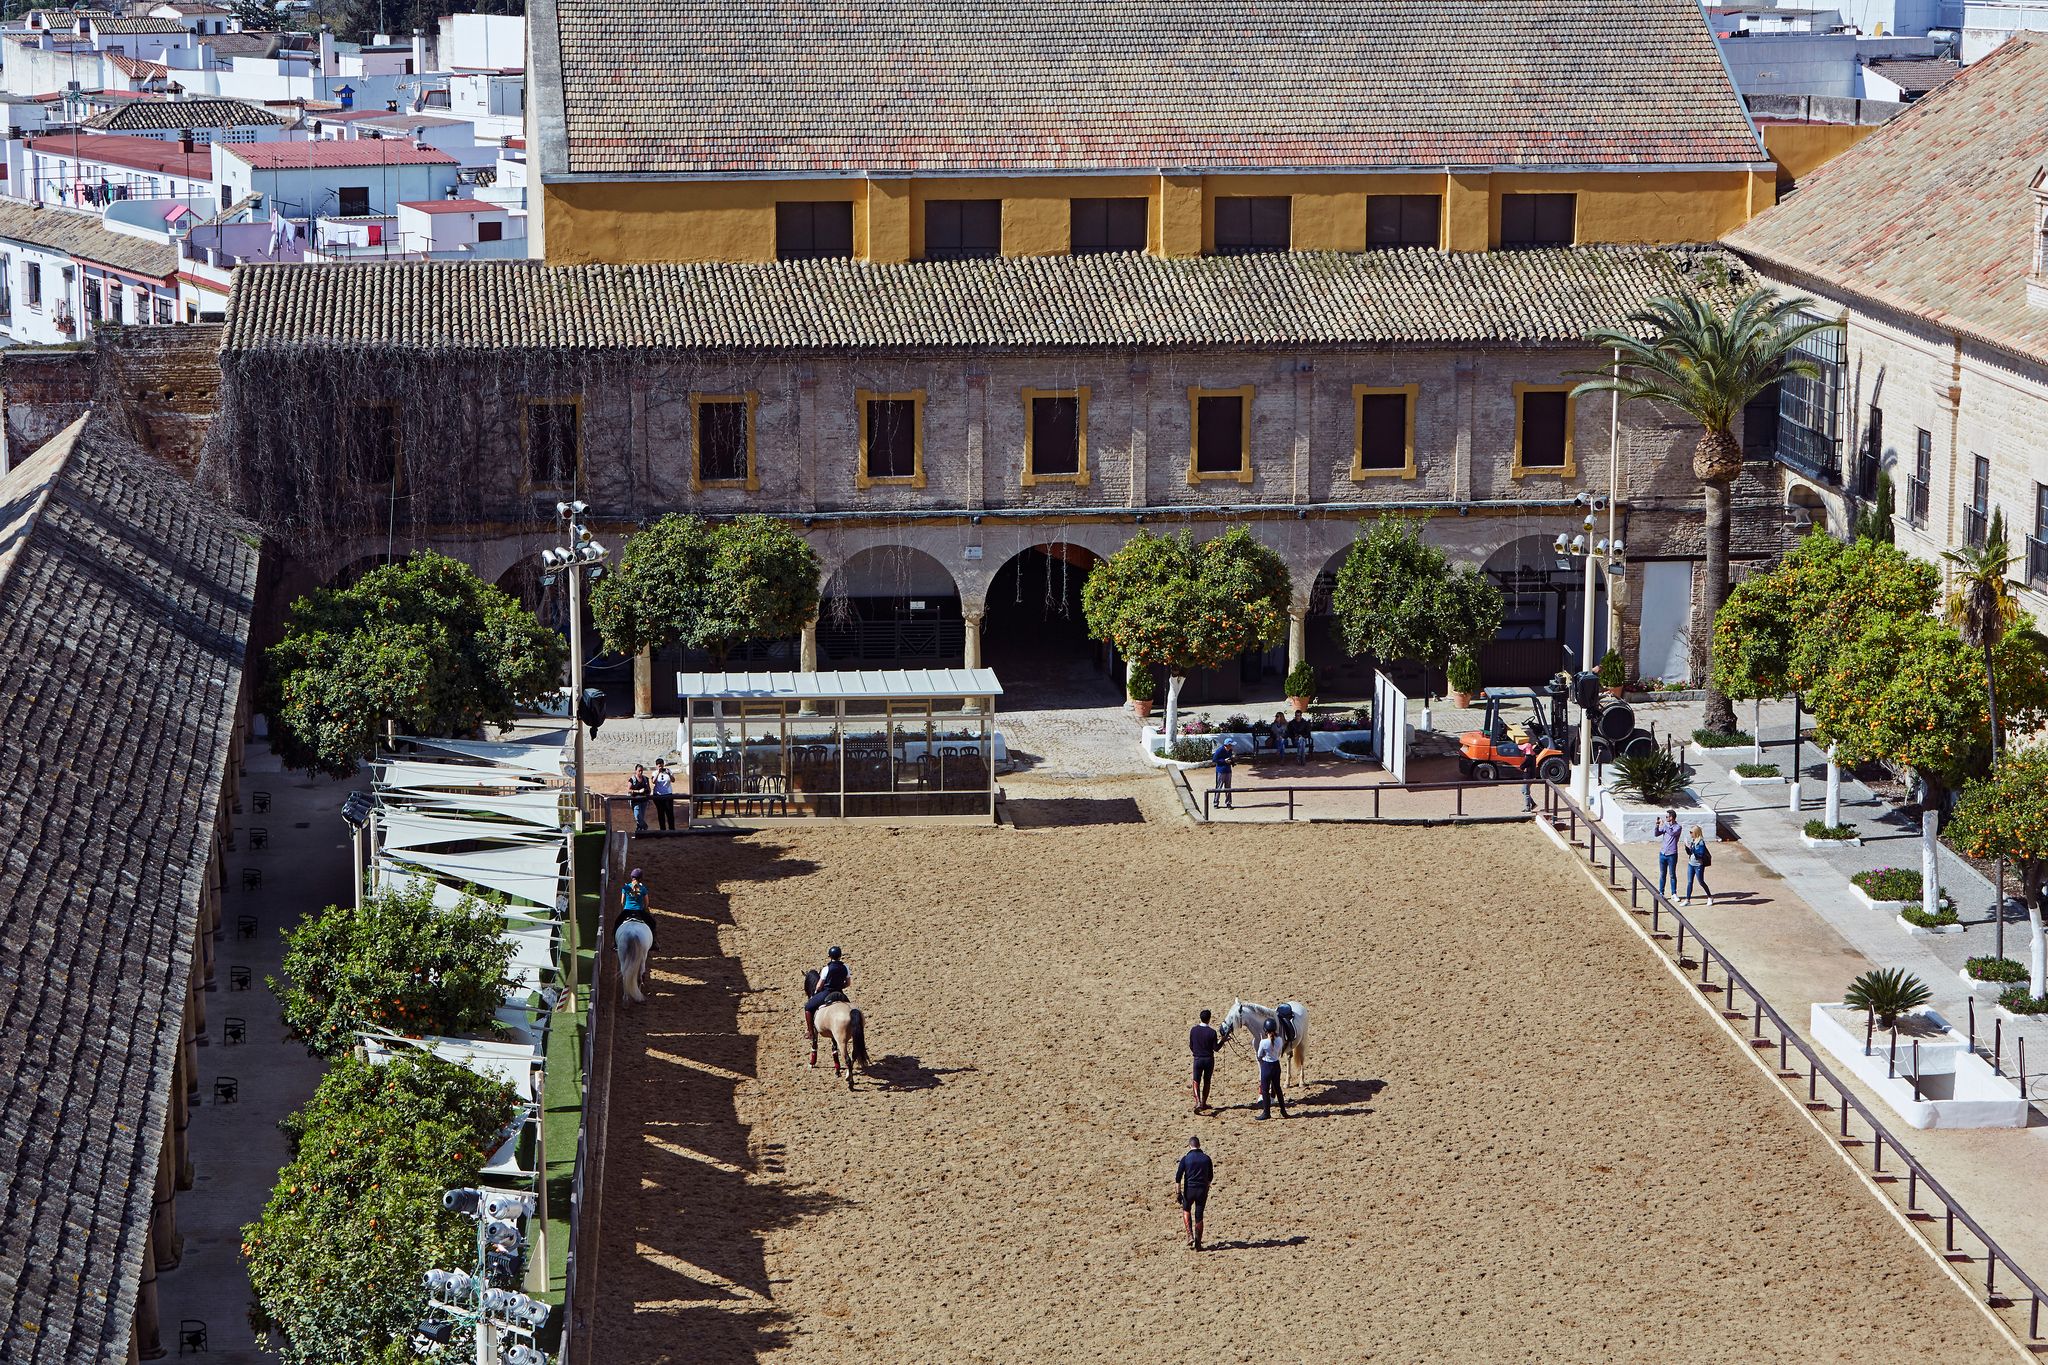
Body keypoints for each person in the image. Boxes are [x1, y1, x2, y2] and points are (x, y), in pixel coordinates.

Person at [1175, 1135, 1214, 1251]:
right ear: (1199, 1145)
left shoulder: (1185, 1159)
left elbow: (1178, 1177)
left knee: (1186, 1209)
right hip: (1202, 1190)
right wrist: (1206, 1187)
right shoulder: (1206, 1158)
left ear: (1189, 1145)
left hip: (1189, 1190)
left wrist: (1178, 1193)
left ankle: (1190, 1235)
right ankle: (1198, 1242)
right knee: (1199, 1215)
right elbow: (1210, 1177)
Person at [803, 945, 851, 1025]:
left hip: (827, 993)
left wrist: (816, 992)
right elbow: (848, 983)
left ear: (830, 956)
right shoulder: (846, 967)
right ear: (840, 956)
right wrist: (839, 986)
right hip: (840, 993)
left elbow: (819, 986)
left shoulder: (826, 969)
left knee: (808, 1007)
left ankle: (810, 1032)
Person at [1255, 1019, 1288, 1120]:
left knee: (1265, 1090)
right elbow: (1278, 1052)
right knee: (1277, 1088)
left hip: (1267, 1066)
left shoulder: (1263, 1042)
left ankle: (1266, 1112)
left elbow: (1259, 1055)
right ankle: (1283, 1110)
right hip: (1276, 1065)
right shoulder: (1280, 1040)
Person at [1189, 1009, 1220, 1113]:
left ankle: (1197, 1101)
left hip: (1198, 1059)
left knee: (1196, 1080)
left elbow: (1191, 1045)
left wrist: (1196, 1052)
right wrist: (1223, 1040)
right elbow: (1216, 1048)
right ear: (1209, 1019)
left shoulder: (1193, 1030)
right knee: (1207, 1081)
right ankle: (1203, 1103)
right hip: (1208, 1060)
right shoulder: (1212, 1032)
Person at [1684, 825, 1715, 906]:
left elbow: (1700, 854)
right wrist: (1687, 847)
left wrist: (1692, 849)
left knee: (1701, 882)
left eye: (1691, 832)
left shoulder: (1701, 842)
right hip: (1691, 864)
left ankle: (1710, 897)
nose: (1690, 834)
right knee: (1689, 882)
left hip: (1698, 865)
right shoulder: (1693, 841)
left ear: (1696, 833)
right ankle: (1687, 900)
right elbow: (1690, 853)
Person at [1654, 810, 1682, 897]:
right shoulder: (1666, 826)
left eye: (1667, 817)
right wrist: (1657, 825)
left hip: (1672, 854)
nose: (1666, 818)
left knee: (1672, 874)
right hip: (1663, 853)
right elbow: (1656, 834)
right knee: (1662, 874)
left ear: (1671, 817)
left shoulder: (1678, 827)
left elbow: (1672, 833)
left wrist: (1664, 825)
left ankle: (1674, 893)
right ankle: (1661, 892)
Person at [619, 868, 653, 933]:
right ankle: (654, 941)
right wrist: (644, 909)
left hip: (627, 910)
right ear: (640, 879)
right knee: (652, 923)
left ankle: (615, 941)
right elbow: (647, 903)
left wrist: (624, 908)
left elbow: (622, 901)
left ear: (631, 877)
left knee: (617, 923)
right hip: (639, 911)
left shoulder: (626, 887)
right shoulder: (643, 889)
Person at [651, 758, 676, 831]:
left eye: (662, 765)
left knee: (669, 813)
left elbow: (673, 780)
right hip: (658, 795)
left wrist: (668, 774)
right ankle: (662, 830)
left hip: (668, 794)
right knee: (661, 813)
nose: (661, 767)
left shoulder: (668, 771)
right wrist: (658, 772)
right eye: (659, 766)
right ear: (656, 766)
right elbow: (653, 781)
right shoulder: (654, 773)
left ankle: (672, 830)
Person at [1210, 737, 1235, 809]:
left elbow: (1230, 759)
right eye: (1231, 745)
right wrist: (1224, 761)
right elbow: (1214, 759)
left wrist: (1232, 762)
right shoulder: (1220, 750)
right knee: (1219, 787)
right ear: (1227, 745)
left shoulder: (1230, 750)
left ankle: (1228, 803)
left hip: (1228, 771)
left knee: (1228, 787)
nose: (1232, 746)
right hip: (1221, 771)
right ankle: (1216, 803)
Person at [626, 763, 651, 834]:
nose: (641, 772)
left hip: (644, 801)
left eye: (642, 771)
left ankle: (639, 831)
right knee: (637, 817)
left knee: (641, 817)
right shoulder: (632, 779)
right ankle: (645, 827)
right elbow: (628, 790)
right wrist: (638, 791)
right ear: (635, 771)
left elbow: (649, 789)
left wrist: (647, 792)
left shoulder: (645, 779)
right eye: (639, 771)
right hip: (635, 800)